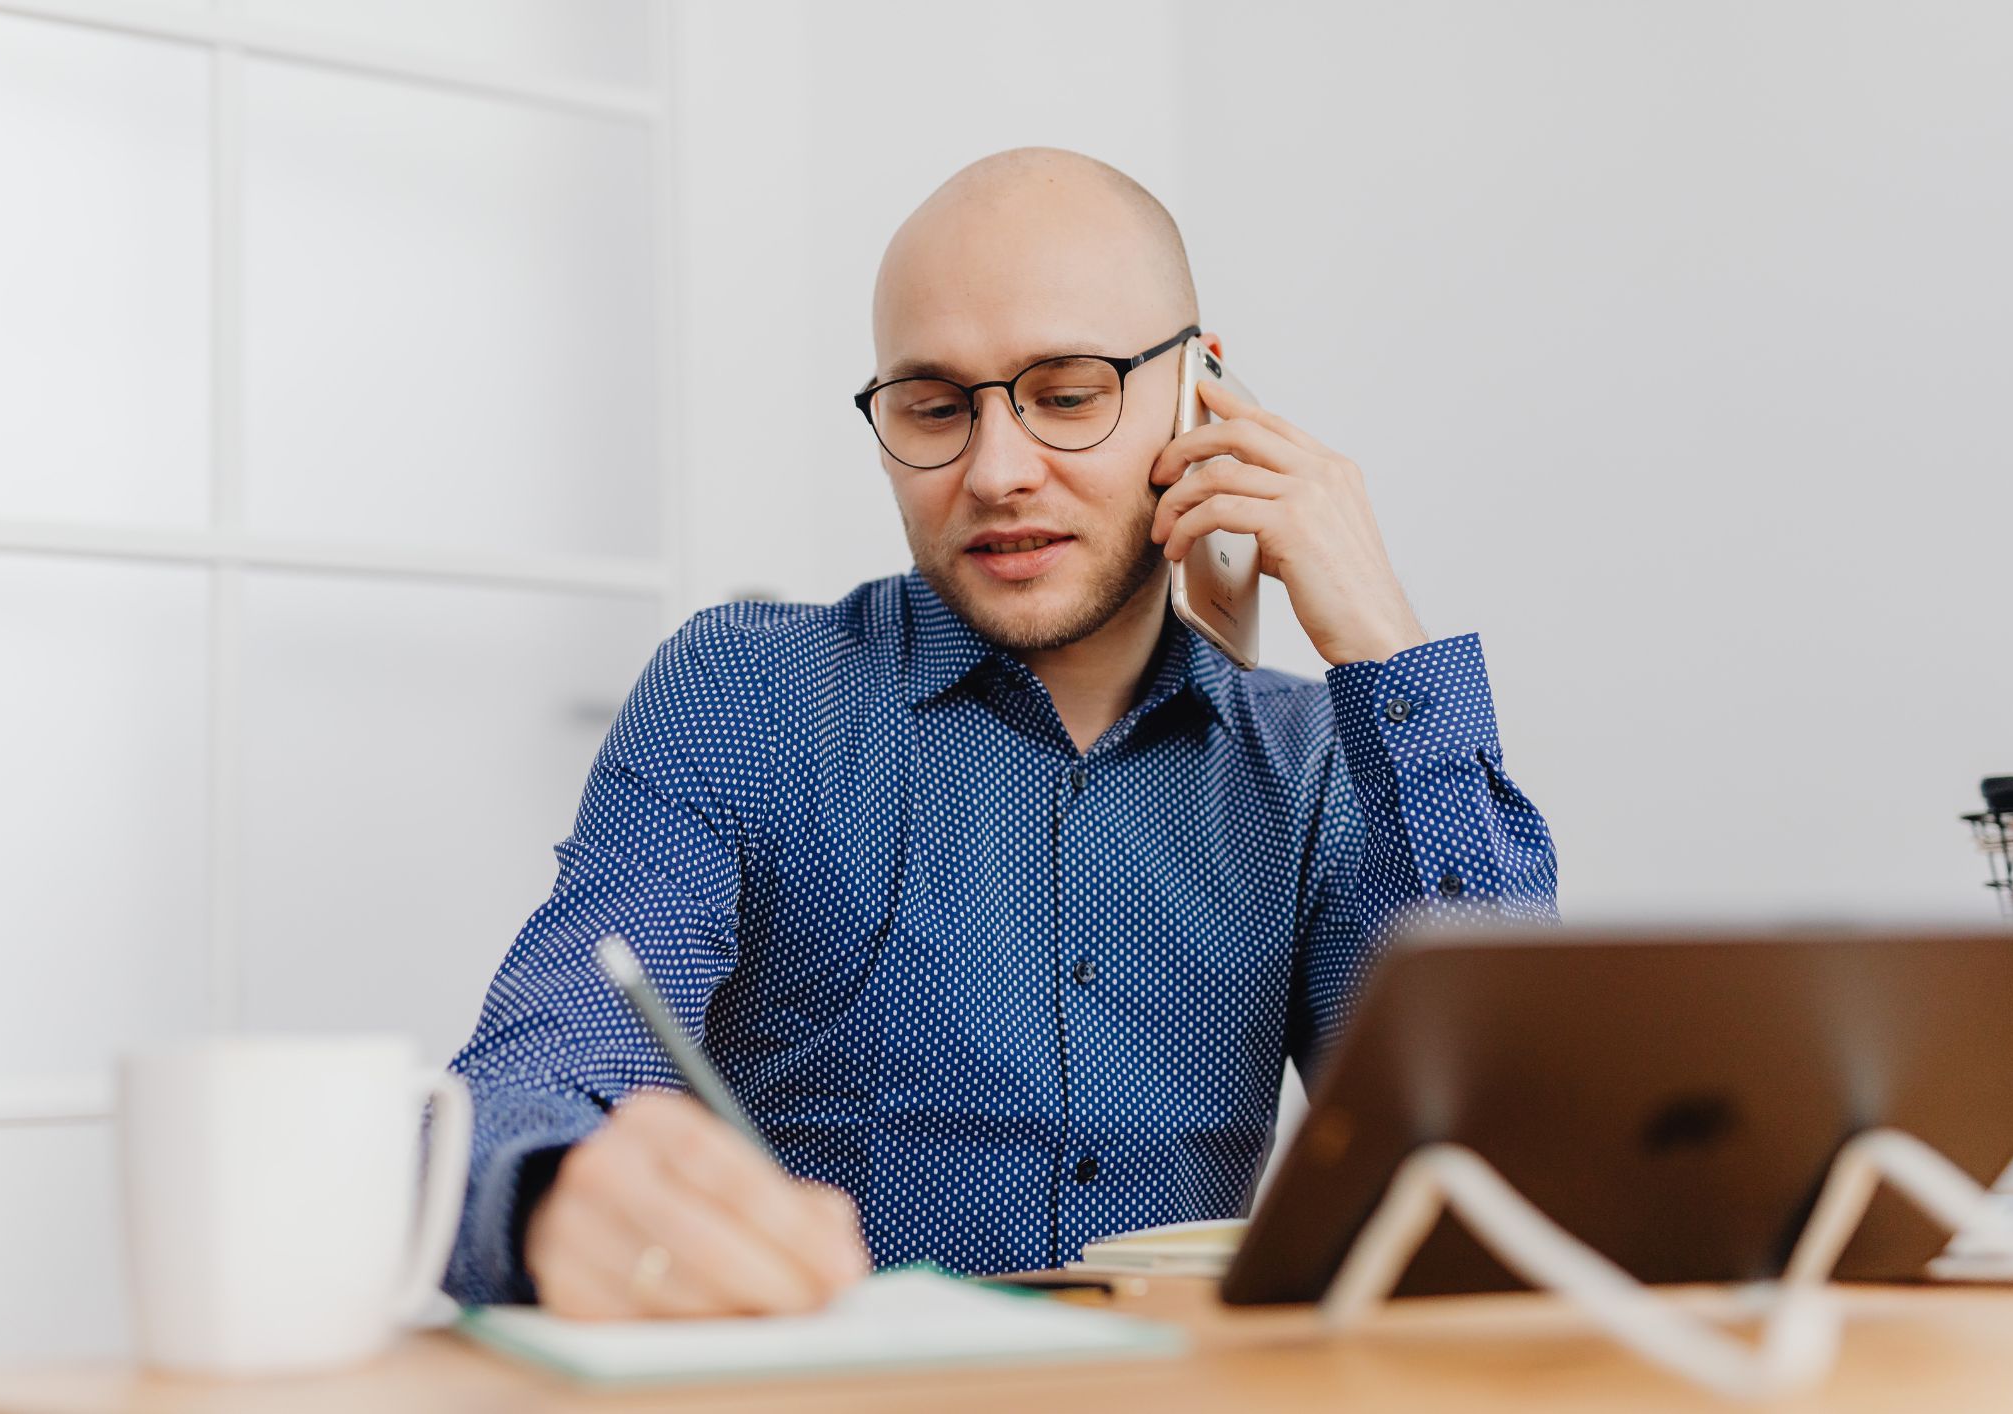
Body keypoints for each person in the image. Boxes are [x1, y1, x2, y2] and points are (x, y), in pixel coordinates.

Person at [442, 146, 1559, 1319]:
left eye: (1068, 394)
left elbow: (1503, 1176)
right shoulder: (747, 695)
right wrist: (557, 1197)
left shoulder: (1322, 758)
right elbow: (529, 1078)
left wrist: (1383, 644)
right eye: (933, 408)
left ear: (1200, 393)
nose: (998, 472)